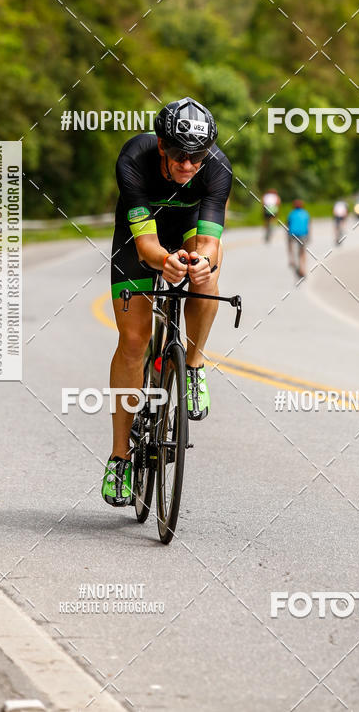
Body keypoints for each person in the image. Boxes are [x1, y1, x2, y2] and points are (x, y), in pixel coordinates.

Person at [103, 97, 233, 506]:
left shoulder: (217, 168)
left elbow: (210, 242)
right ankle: (119, 458)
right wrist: (165, 262)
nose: (188, 164)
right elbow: (145, 245)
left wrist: (200, 265)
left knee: (208, 268)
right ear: (161, 144)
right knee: (134, 341)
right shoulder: (134, 157)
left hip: (188, 234)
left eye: (197, 156)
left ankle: (192, 365)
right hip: (137, 241)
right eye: (179, 153)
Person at [287, 199, 311, 278]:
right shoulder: (306, 213)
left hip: (292, 233)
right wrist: (309, 236)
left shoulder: (291, 214)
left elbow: (288, 224)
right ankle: (302, 268)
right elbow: (308, 225)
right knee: (302, 252)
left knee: (290, 245)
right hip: (303, 234)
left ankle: (292, 258)